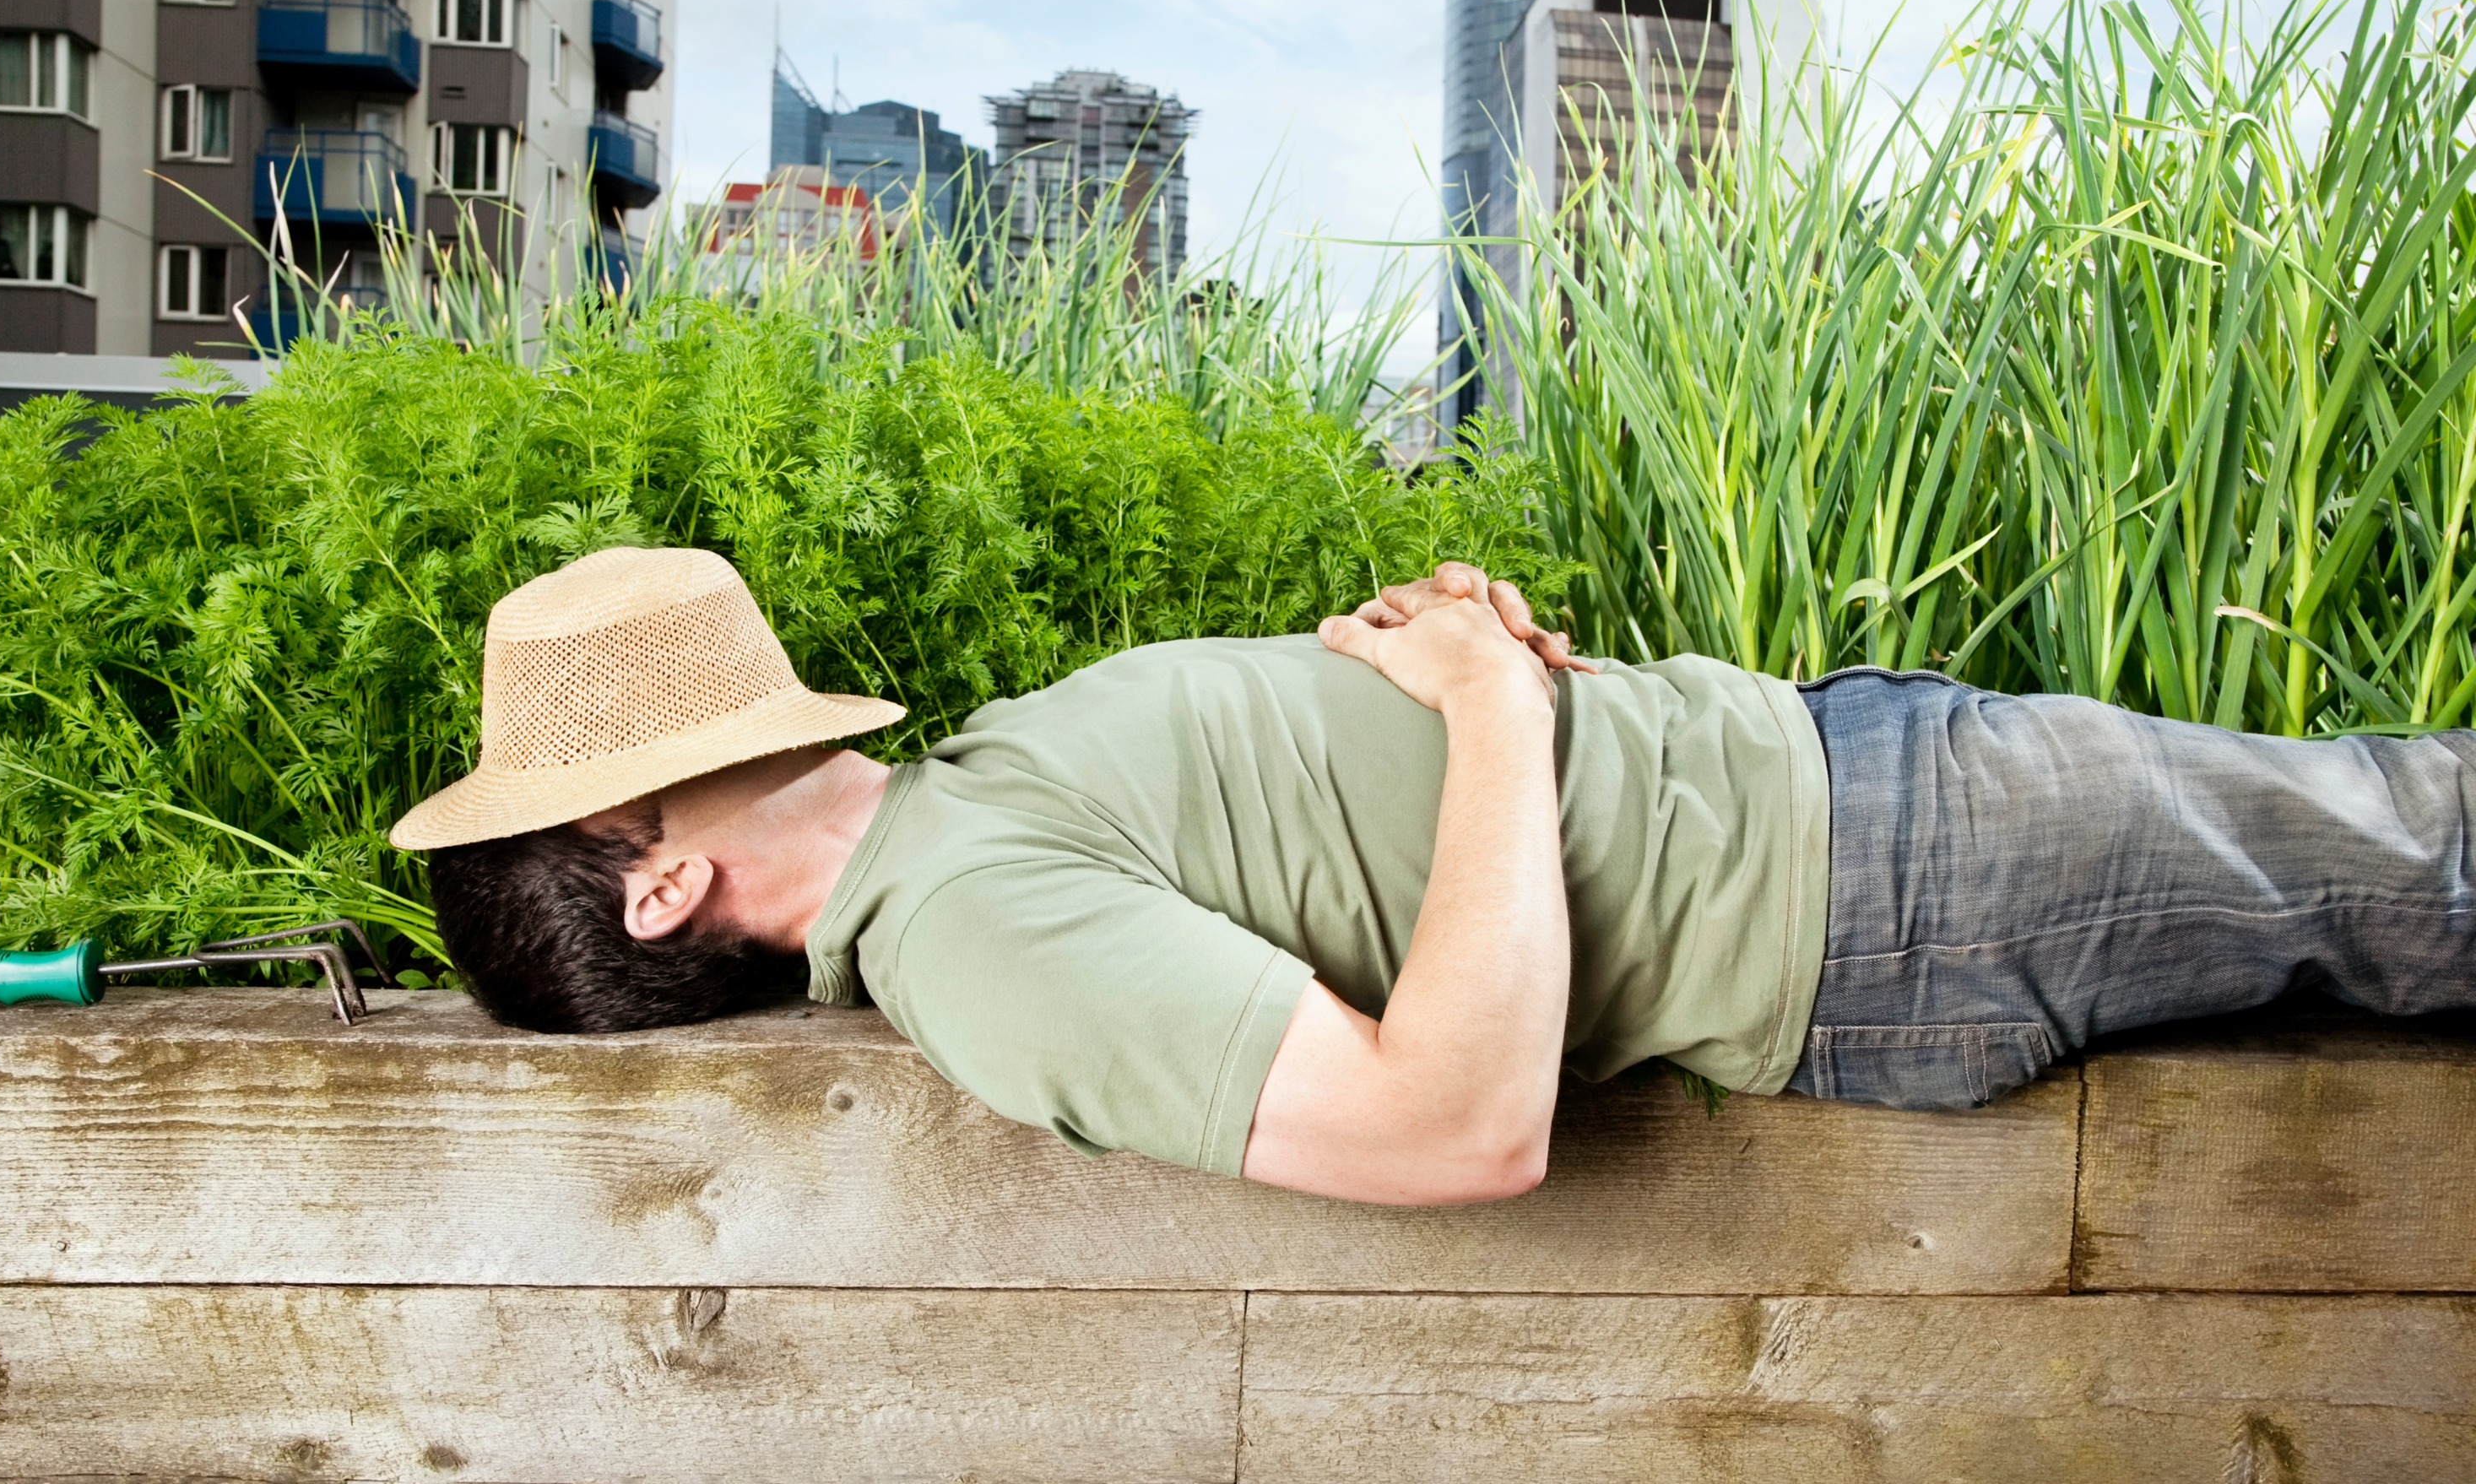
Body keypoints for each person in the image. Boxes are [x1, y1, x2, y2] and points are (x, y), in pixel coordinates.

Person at [394, 546, 2476, 1205]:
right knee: (2441, 847)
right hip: (1881, 882)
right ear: (659, 889)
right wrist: (1489, 711)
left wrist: (1459, 673)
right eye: (630, 763)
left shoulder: (968, 822)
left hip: (1859, 801)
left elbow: (1369, 851)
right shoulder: (965, 935)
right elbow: (1448, 1119)